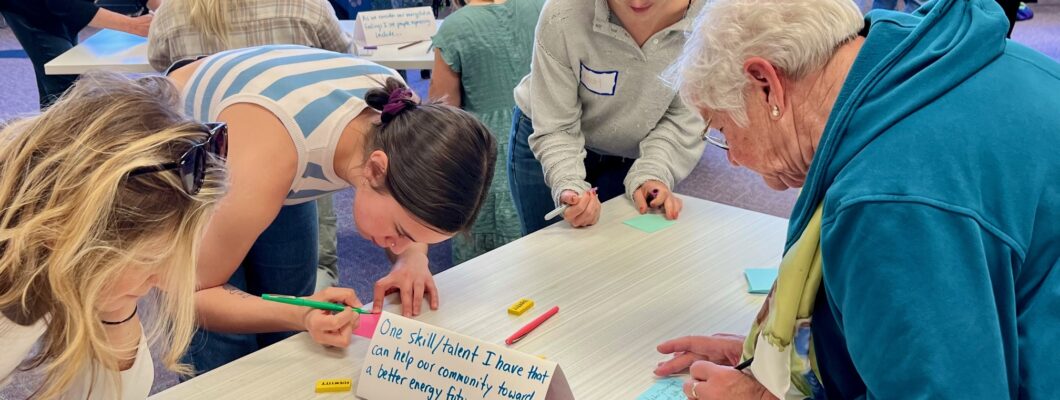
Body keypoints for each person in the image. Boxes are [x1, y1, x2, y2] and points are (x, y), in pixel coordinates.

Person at [655, 0, 1060, 398]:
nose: (733, 159)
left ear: (766, 85)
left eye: (722, 130)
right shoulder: (920, 62)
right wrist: (790, 360)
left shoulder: (887, 203)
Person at [166, 45, 496, 375]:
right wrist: (299, 314)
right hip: (183, 151)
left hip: (268, 145)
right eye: (401, 233)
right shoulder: (272, 155)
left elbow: (410, 216)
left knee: (289, 300)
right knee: (220, 346)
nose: (396, 245)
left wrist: (414, 256)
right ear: (375, 169)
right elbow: (189, 294)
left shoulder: (404, 116)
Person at [0, 72, 227, 398]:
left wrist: (116, 307)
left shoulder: (40, 242)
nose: (166, 280)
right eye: (150, 259)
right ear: (62, 229)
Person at [148, 0, 357, 292]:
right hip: (289, 173)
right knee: (292, 296)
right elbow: (342, 66)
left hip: (200, 174)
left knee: (208, 297)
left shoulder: (171, 11)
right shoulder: (307, 5)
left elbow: (165, 74)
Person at [507, 0, 706, 235]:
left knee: (621, 248)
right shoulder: (563, 12)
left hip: (636, 146)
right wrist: (568, 184)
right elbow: (555, 124)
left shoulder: (712, 18)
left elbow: (684, 115)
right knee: (547, 250)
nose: (637, 2)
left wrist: (655, 171)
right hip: (547, 129)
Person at [428, 0, 545, 264]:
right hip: (541, 137)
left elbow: (443, 115)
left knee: (484, 267)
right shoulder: (541, 8)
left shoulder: (455, 28)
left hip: (484, 153)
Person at [0, 0, 158, 109]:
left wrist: (164, 11)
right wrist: (133, 26)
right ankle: (61, 149)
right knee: (66, 83)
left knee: (59, 79)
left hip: (59, 6)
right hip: (30, 8)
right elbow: (64, 5)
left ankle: (47, 147)